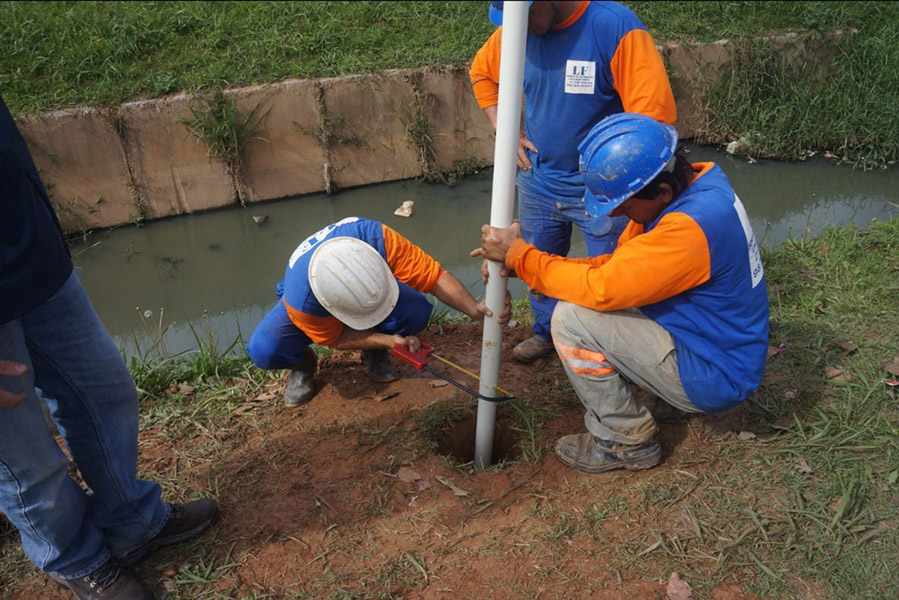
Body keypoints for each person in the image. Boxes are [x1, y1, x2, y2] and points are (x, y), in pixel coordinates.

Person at [0, 94, 219, 600]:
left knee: (105, 393)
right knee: (27, 457)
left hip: (32, 256)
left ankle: (132, 521)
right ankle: (75, 558)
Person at [472, 113, 769, 473]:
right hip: (717, 344)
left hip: (717, 372)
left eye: (624, 205)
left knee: (571, 320)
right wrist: (525, 261)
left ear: (662, 191)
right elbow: (617, 267)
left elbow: (602, 289)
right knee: (597, 300)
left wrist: (521, 256)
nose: (616, 213)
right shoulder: (700, 189)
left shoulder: (689, 229)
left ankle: (625, 440)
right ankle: (666, 397)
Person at [470, 0, 677, 363]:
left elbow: (652, 119)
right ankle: (547, 331)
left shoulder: (613, 27)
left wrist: (619, 180)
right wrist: (505, 129)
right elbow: (482, 73)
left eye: (526, 15)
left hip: (603, 190)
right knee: (535, 260)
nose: (520, 28)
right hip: (539, 181)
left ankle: (609, 349)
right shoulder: (517, 29)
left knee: (612, 276)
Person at [246, 217, 510, 406]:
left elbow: (434, 277)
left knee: (415, 311)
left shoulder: (376, 238)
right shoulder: (303, 299)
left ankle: (373, 352)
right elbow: (337, 338)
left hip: (352, 280)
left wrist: (473, 308)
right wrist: (388, 340)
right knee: (265, 348)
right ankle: (303, 364)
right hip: (311, 301)